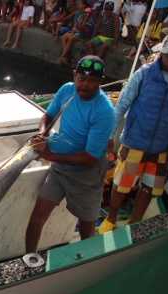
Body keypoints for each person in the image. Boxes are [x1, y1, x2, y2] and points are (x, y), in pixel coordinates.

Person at [99, 31, 168, 233]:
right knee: (122, 183)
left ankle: (135, 222)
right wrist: (110, 135)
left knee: (149, 187)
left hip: (160, 146)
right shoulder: (143, 74)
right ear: (163, 53)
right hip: (134, 142)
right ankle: (111, 217)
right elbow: (121, 106)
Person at [25, 56, 115, 255]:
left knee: (86, 228)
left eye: (92, 81)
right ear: (74, 75)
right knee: (37, 216)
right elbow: (48, 116)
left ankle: (86, 260)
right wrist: (42, 133)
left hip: (87, 175)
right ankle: (29, 258)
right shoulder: (66, 90)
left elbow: (89, 158)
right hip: (59, 169)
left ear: (101, 81)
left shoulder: (104, 111)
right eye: (81, 79)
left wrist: (50, 155)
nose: (85, 85)